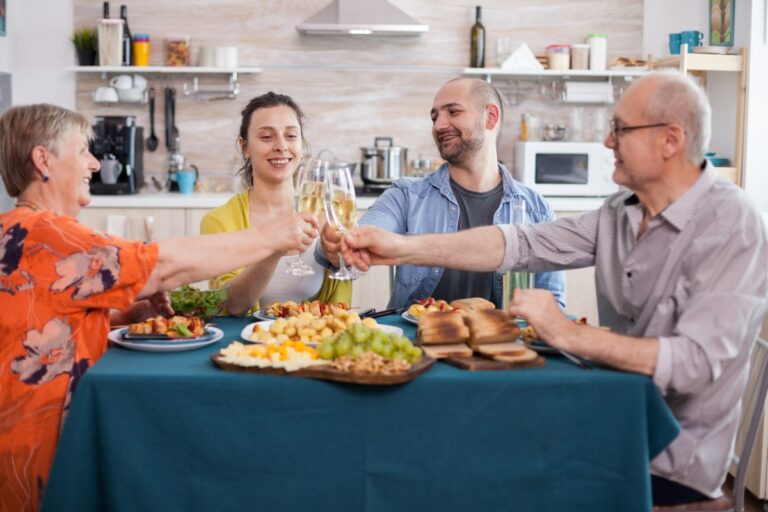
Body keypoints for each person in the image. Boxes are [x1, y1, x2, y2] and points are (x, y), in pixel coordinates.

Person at [340, 71, 768, 507]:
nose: (606, 142)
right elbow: (522, 242)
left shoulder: (732, 225)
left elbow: (694, 362)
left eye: (620, 129)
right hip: (607, 423)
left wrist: (567, 332)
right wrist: (403, 247)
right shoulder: (618, 213)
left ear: (670, 140)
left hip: (667, 463)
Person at [0, 104, 319, 510]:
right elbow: (163, 266)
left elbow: (36, 317)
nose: (95, 163)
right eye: (83, 151)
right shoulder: (46, 231)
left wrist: (120, 317)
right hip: (35, 452)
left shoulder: (15, 227)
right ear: (43, 160)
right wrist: (272, 237)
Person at [318, 77, 565, 309]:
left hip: (502, 346)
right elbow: (359, 239)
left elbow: (552, 304)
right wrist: (336, 247)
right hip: (415, 345)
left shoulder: (536, 209)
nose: (439, 125)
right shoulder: (406, 196)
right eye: (434, 117)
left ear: (490, 117)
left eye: (453, 112)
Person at [200, 92, 351, 315]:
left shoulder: (331, 214)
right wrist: (274, 249)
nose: (281, 146)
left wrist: (342, 260)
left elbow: (348, 285)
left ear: (302, 145)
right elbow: (230, 305)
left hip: (319, 343)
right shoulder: (218, 222)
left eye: (291, 136)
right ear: (245, 147)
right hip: (246, 347)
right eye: (266, 137)